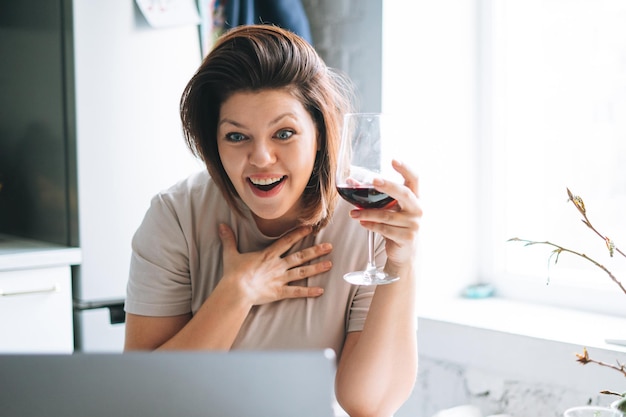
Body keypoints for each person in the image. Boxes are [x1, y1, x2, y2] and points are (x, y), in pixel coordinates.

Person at [124, 24, 422, 417]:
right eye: (236, 136)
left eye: (284, 133)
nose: (261, 158)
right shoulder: (176, 216)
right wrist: (237, 293)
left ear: (320, 132)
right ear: (213, 141)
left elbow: (367, 404)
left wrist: (402, 263)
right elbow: (142, 398)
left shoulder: (369, 220)